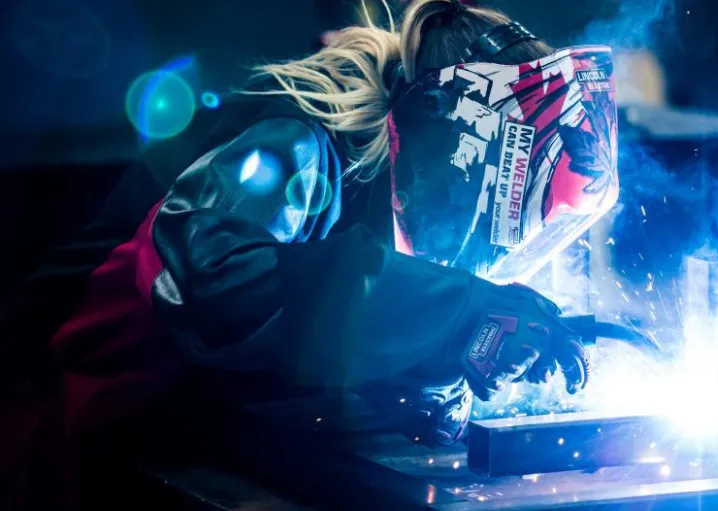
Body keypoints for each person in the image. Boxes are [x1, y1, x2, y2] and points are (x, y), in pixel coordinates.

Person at [0, 0, 619, 508]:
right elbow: (211, 284)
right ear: (458, 128)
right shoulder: (292, 144)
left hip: (171, 443)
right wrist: (453, 312)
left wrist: (440, 373)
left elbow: (329, 335)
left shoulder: (390, 195)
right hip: (49, 438)